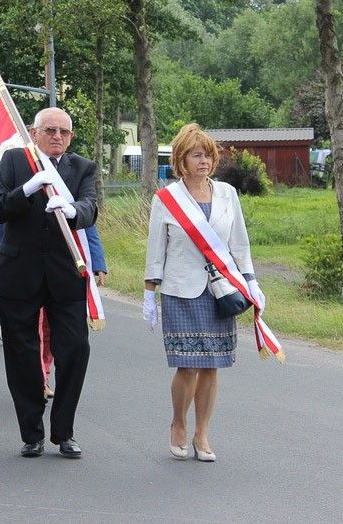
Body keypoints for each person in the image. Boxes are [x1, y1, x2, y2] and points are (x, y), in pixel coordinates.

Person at [144, 123, 263, 462]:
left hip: (221, 290)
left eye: (208, 155)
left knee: (212, 366)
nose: (204, 161)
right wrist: (149, 292)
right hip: (182, 291)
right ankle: (179, 424)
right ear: (181, 159)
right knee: (187, 365)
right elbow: (156, 247)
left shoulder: (228, 193)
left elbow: (239, 242)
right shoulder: (166, 199)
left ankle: (202, 433)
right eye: (197, 155)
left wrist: (250, 280)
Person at [0, 107, 97, 459]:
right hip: (20, 273)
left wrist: (73, 211)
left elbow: (91, 207)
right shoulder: (14, 161)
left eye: (63, 132)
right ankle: (31, 431)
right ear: (34, 132)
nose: (56, 137)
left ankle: (64, 430)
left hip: (66, 273)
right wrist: (27, 189)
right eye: (49, 130)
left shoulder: (82, 168)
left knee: (75, 349)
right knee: (21, 354)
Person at [40, 224, 108, 398]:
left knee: (50, 330)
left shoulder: (73, 195)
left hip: (66, 270)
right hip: (33, 269)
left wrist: (98, 262)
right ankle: (38, 380)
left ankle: (44, 376)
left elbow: (88, 225)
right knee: (36, 328)